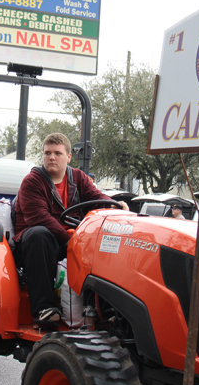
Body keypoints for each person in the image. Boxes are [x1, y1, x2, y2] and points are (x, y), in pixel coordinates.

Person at [13, 133, 127, 330]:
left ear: (68, 157)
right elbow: (39, 217)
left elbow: (97, 197)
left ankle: (109, 309)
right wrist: (70, 240)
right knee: (39, 233)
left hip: (72, 238)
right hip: (39, 243)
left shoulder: (78, 178)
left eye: (57, 153)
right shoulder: (32, 182)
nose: (51, 157)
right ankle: (44, 309)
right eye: (47, 153)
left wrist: (116, 206)